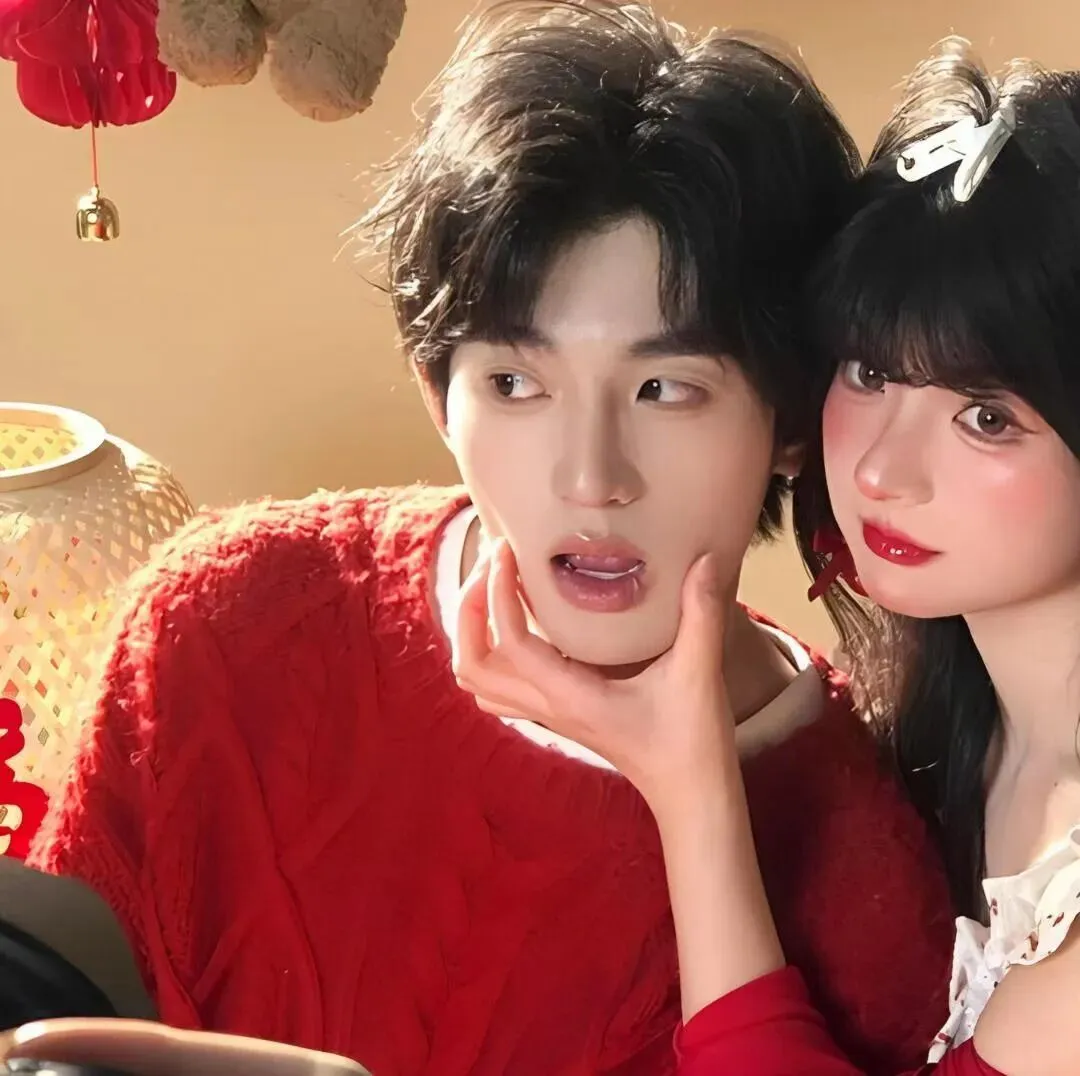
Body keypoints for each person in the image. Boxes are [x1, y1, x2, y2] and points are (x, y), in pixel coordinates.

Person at [28, 3, 953, 1074]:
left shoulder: (869, 878)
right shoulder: (220, 625)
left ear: (792, 422)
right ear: (437, 394)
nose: (591, 478)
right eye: (515, 383)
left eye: (665, 388)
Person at [453, 35, 1080, 1076]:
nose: (880, 470)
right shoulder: (942, 716)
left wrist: (691, 786)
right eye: (870, 371)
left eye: (985, 416)